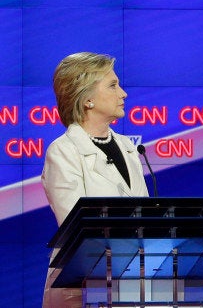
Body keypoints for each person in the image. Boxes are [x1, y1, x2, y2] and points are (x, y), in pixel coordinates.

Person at [41, 52, 149, 307]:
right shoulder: (64, 151)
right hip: (84, 287)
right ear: (87, 98)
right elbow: (75, 227)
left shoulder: (128, 147)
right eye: (113, 86)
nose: (123, 93)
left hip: (131, 284)